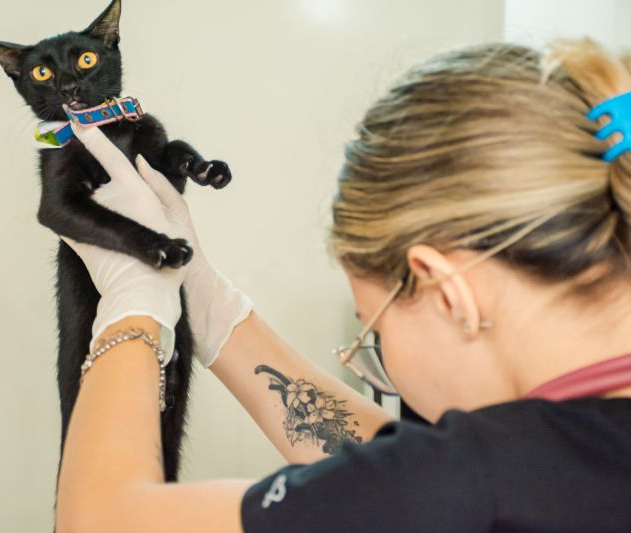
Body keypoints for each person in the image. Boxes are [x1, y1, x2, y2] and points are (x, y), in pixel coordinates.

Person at [52, 38, 631, 532]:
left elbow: (103, 520)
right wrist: (208, 304)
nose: (375, 353)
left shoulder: (483, 478)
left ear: (451, 292)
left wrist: (135, 305)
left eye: (371, 332)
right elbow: (396, 466)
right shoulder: (557, 462)